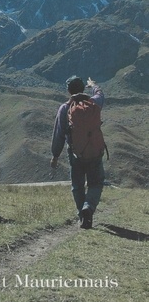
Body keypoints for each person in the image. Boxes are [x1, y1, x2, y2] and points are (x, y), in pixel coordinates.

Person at [50, 76, 105, 229]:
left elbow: (59, 134)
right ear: (82, 88)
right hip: (95, 151)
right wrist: (93, 85)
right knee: (96, 183)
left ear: (69, 91)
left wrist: (55, 155)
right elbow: (100, 94)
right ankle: (89, 207)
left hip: (75, 153)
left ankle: (83, 215)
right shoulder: (94, 102)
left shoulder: (65, 108)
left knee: (77, 185)